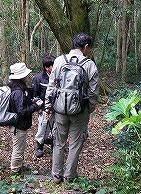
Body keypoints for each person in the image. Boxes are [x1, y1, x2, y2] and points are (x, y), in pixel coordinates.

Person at [44, 33, 99, 184]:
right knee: (75, 143)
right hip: (80, 112)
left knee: (58, 142)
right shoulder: (90, 65)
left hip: (60, 110)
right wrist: (89, 109)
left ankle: (56, 175)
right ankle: (69, 176)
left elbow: (51, 86)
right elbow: (93, 93)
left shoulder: (59, 61)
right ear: (86, 47)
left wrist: (49, 107)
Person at [7, 62, 43, 175]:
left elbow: (21, 105)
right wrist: (35, 106)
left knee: (20, 148)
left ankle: (19, 168)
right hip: (18, 126)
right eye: (26, 74)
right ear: (21, 77)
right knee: (18, 150)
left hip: (20, 125)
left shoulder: (19, 89)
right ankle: (15, 172)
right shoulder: (18, 91)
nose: (28, 76)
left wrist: (30, 101)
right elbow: (21, 111)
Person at [31, 55, 55, 157]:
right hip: (44, 109)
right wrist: (39, 108)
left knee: (55, 129)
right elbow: (35, 95)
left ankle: (54, 147)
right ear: (46, 67)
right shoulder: (38, 78)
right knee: (42, 129)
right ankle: (40, 148)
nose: (55, 67)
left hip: (56, 109)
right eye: (52, 65)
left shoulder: (59, 76)